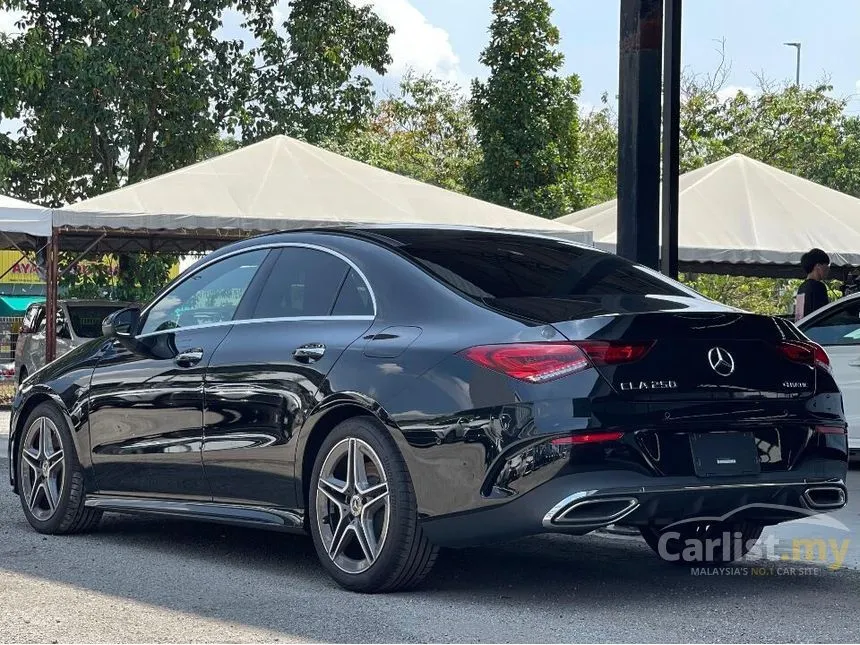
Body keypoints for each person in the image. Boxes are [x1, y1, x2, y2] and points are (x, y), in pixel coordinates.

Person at [795, 248, 830, 321]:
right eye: (826, 265)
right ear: (818, 266)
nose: (828, 268)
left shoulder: (802, 287)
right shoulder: (819, 286)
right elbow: (823, 315)